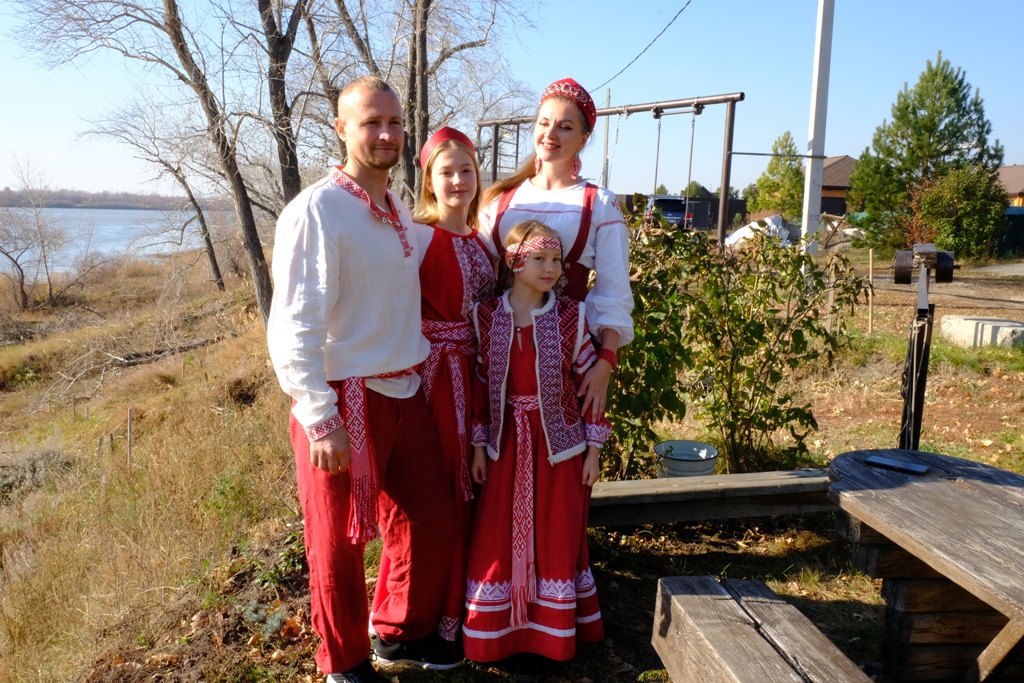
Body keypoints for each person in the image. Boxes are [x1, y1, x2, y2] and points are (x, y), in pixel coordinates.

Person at [267, 75, 459, 683]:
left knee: (428, 517)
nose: (385, 133)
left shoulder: (397, 208)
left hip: (404, 389)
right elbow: (292, 323)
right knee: (337, 544)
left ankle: (399, 633)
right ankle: (343, 663)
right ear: (342, 129)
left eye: (394, 123)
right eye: (371, 122)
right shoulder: (318, 210)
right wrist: (317, 414)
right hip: (342, 395)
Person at [463, 219, 611, 677]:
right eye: (539, 258)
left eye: (555, 259)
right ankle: (499, 634)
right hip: (506, 447)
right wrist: (479, 446)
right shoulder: (487, 315)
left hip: (560, 451)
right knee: (497, 536)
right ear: (514, 260)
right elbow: (483, 385)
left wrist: (592, 450)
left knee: (555, 535)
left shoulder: (570, 317)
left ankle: (549, 635)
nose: (550, 268)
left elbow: (589, 388)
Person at [370, 126, 495, 646]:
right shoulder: (415, 237)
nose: (458, 180)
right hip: (430, 380)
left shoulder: (486, 242)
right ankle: (406, 613)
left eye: (466, 170)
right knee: (434, 492)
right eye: (446, 172)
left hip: (478, 375)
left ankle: (457, 613)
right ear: (428, 180)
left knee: (471, 490)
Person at [478, 77, 634, 423]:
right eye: (544, 123)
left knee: (562, 467)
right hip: (501, 358)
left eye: (565, 127)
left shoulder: (599, 205)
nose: (550, 134)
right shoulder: (501, 202)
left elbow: (613, 292)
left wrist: (605, 363)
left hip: (567, 363)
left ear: (583, 139)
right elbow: (480, 282)